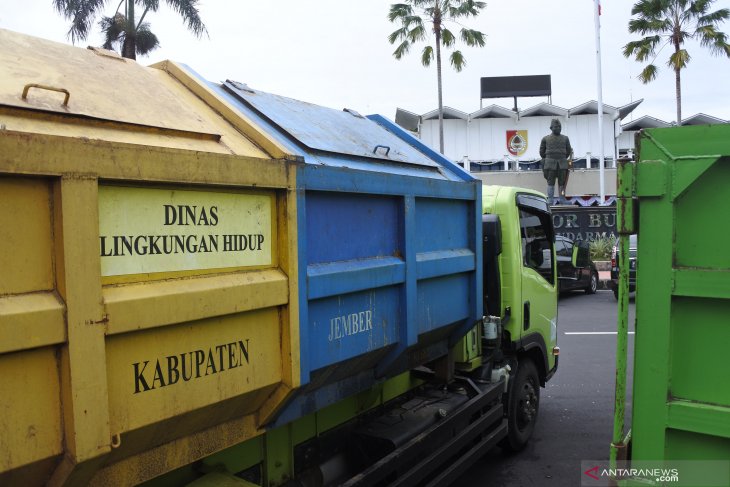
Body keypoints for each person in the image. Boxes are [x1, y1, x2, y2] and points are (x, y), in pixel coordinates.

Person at [539, 119, 573, 205]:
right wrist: (549, 158)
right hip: (550, 164)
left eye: (560, 127)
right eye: (556, 127)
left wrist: (562, 157)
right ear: (551, 128)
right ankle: (550, 200)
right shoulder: (545, 139)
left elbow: (568, 150)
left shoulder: (565, 138)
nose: (558, 128)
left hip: (562, 164)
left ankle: (562, 198)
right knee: (551, 183)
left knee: (562, 183)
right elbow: (541, 152)